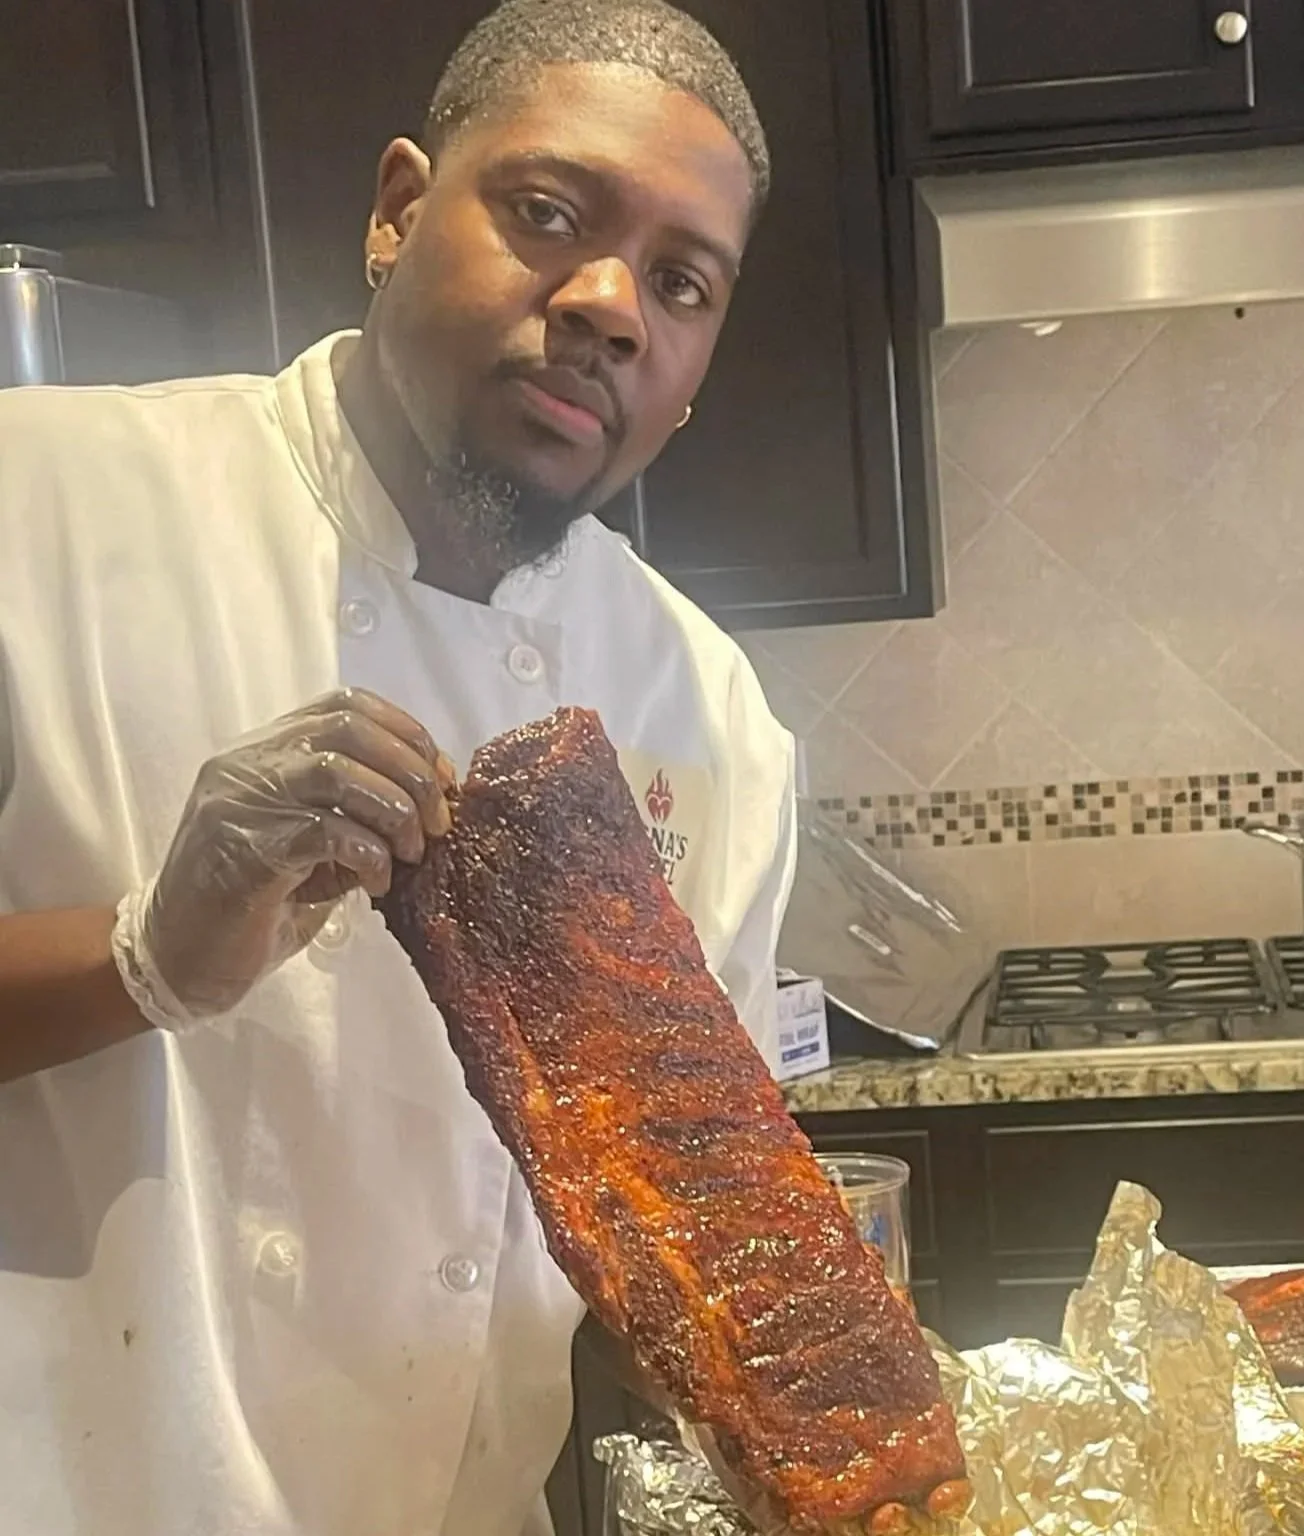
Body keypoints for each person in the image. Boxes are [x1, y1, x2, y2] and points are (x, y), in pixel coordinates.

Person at [0, 2, 795, 1531]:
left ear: (689, 376)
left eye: (684, 286)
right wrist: (145, 957)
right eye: (549, 213)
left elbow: (669, 1249)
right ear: (396, 210)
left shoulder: (710, 716)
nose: (614, 305)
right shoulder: (42, 511)